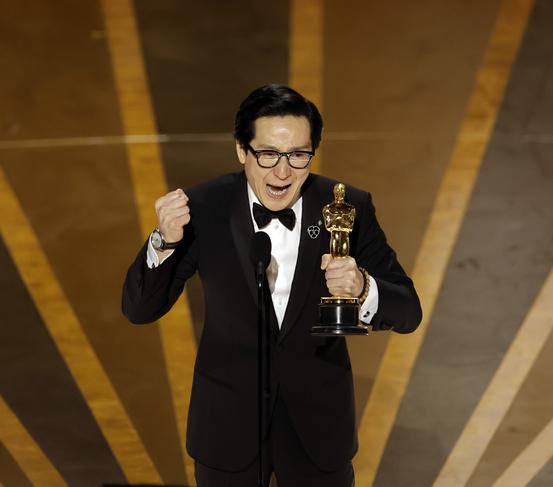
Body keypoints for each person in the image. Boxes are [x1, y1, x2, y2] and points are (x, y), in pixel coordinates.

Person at [122, 84, 422, 486]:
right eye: (268, 155)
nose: (283, 172)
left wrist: (363, 288)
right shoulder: (205, 209)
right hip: (227, 427)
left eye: (298, 155)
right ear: (242, 151)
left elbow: (408, 312)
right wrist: (164, 242)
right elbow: (140, 310)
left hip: (318, 431)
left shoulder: (347, 207)